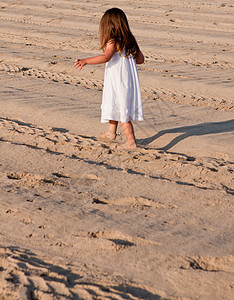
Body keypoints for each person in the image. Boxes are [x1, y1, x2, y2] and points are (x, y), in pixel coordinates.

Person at [73, 7, 144, 148]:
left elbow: (106, 57)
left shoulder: (113, 41)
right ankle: (111, 132)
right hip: (126, 80)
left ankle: (131, 142)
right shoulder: (130, 42)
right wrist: (128, 59)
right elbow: (141, 59)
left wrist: (86, 61)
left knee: (122, 110)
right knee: (115, 103)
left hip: (118, 81)